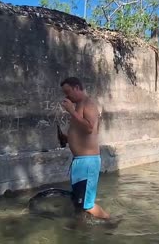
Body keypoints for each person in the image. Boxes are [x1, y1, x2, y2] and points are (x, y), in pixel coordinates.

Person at [57, 77, 110, 220]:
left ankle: (111, 223)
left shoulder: (88, 104)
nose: (66, 96)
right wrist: (66, 138)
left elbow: (89, 127)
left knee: (88, 204)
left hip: (88, 162)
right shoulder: (79, 105)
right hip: (79, 162)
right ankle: (80, 229)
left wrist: (71, 111)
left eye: (68, 91)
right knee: (78, 200)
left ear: (77, 88)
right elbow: (83, 135)